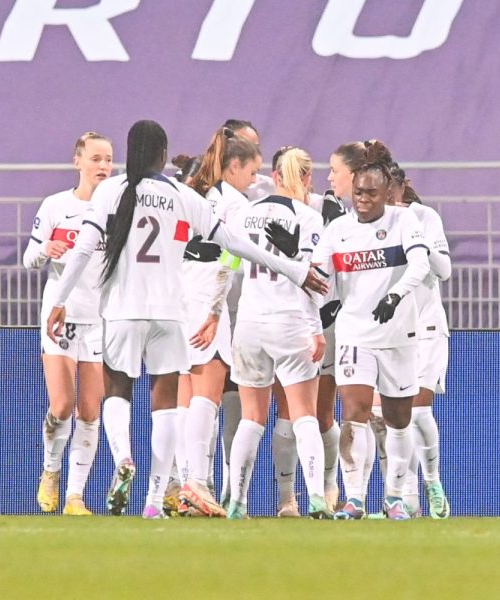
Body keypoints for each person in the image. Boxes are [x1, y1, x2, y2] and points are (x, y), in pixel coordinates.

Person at [45, 120, 327, 519]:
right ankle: (156, 500)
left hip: (123, 310)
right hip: (171, 314)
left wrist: (59, 300)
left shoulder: (111, 191)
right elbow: (234, 244)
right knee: (168, 406)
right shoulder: (180, 195)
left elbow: (85, 248)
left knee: (118, 390)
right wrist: (294, 269)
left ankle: (124, 458)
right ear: (163, 155)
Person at [308, 141, 430, 520]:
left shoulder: (403, 221)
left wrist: (394, 297)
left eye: (371, 193)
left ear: (385, 192)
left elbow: (420, 264)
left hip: (398, 336)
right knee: (355, 412)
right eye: (358, 191)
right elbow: (317, 276)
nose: (362, 199)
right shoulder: (338, 230)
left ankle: (394, 496)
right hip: (354, 334)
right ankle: (354, 498)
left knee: (397, 420)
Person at [225, 147, 331, 519]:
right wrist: (317, 329)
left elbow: (229, 267)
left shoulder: (245, 214)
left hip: (250, 323)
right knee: (304, 415)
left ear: (273, 174)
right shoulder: (310, 218)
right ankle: (317, 497)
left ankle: (236, 501)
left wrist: (213, 313)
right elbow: (316, 282)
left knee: (251, 418)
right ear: (304, 178)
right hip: (292, 324)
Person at [23, 131, 113, 516]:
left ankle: (75, 496)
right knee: (62, 404)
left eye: (108, 159)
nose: (103, 167)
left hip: (98, 321)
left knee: (91, 411)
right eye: (95, 159)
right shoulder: (56, 206)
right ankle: (51, 471)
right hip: (60, 318)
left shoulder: (116, 210)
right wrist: (46, 249)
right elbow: (29, 258)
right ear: (77, 161)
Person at [175, 127, 263, 517]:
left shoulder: (192, 193)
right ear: (232, 169)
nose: (254, 181)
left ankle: (182, 483)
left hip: (179, 288)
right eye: (250, 172)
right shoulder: (234, 204)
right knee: (208, 390)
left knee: (188, 389)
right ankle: (196, 481)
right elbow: (228, 260)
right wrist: (214, 311)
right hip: (205, 291)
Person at [388, 163, 451, 519]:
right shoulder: (370, 224)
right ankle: (406, 497)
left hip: (426, 326)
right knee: (393, 418)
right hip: (392, 330)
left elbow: (445, 270)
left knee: (418, 410)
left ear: (398, 188)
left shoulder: (424, 216)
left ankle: (432, 482)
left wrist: (418, 243)